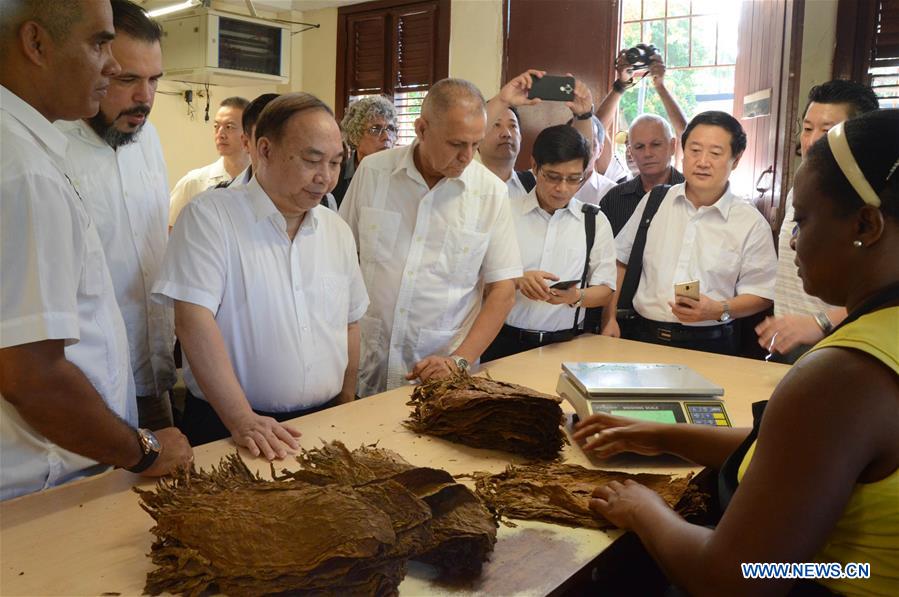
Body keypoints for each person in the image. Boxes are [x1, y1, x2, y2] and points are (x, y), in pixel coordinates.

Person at [575, 109, 899, 596]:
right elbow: (790, 453)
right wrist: (662, 434)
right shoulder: (879, 336)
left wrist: (645, 510)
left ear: (867, 225)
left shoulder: (844, 376)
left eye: (803, 221)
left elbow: (740, 577)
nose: (792, 242)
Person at [0, 0, 192, 501]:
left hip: (124, 394)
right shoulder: (29, 167)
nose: (111, 72)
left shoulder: (140, 144)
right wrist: (142, 450)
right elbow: (31, 374)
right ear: (36, 44)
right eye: (99, 45)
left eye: (154, 80)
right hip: (55, 452)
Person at [153, 93, 369, 459]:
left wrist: (346, 401)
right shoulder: (210, 217)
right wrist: (241, 419)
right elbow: (192, 321)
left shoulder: (336, 230)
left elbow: (349, 323)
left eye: (335, 163)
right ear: (264, 150)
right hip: (232, 426)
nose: (325, 178)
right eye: (311, 160)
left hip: (324, 419)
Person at [339, 78, 523, 397]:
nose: (467, 156)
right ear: (422, 130)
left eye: (475, 144)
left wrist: (459, 361)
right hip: (364, 367)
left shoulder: (489, 192)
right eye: (456, 144)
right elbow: (339, 261)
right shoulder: (373, 173)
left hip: (440, 379)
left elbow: (503, 290)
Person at [57, 0, 175, 430]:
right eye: (127, 79)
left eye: (154, 80)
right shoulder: (51, 146)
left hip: (152, 368)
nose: (144, 98)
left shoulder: (149, 139)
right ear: (95, 63)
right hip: (84, 384)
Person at [601, 111, 776, 356]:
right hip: (641, 337)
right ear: (682, 152)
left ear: (735, 160)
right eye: (694, 150)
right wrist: (609, 318)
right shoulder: (656, 200)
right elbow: (620, 261)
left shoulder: (750, 222)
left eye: (715, 153)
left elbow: (761, 293)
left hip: (711, 345)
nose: (703, 161)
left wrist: (718, 309)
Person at [755, 80, 879, 362]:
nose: (811, 141)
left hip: (846, 350)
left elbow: (887, 295)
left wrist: (821, 322)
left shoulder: (876, 203)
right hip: (791, 347)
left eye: (827, 131)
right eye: (808, 129)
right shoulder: (799, 191)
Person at [482, 125, 616, 362]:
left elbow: (605, 290)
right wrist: (516, 279)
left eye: (574, 179)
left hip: (565, 345)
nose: (562, 188)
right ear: (534, 166)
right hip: (501, 340)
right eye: (553, 177)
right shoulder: (505, 212)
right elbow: (475, 280)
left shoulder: (594, 221)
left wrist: (574, 296)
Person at [482, 69, 596, 199]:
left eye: (513, 125)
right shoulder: (464, 181)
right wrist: (502, 100)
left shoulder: (537, 182)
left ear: (520, 137)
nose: (506, 133)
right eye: (496, 125)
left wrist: (584, 115)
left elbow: (577, 160)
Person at [168, 96, 250, 227]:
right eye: (216, 126)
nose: (220, 134)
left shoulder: (263, 182)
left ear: (249, 133)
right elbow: (170, 228)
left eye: (229, 127)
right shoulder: (194, 182)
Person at [599, 114, 685, 237]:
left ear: (672, 146)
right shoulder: (614, 199)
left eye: (655, 145)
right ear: (631, 152)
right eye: (639, 147)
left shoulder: (692, 193)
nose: (648, 153)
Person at [332, 95, 398, 207]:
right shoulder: (336, 176)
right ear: (355, 136)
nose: (387, 136)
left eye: (390, 129)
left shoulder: (400, 177)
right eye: (375, 129)